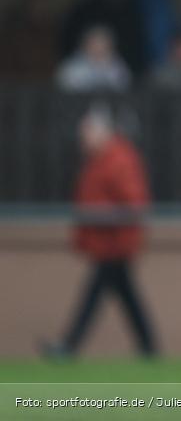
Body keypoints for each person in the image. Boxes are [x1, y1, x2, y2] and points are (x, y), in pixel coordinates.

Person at [40, 106, 157, 358]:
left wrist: (100, 216)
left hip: (115, 244)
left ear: (102, 133)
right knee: (127, 297)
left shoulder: (118, 160)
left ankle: (69, 345)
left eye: (88, 133)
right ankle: (149, 348)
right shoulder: (100, 160)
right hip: (107, 243)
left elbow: (133, 203)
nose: (83, 140)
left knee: (94, 297)